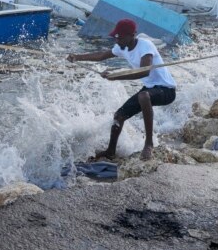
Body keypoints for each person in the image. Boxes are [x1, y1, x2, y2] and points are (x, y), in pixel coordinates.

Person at [67, 19, 177, 160]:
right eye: (116, 37)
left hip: (166, 90)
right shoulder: (121, 47)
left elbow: (144, 72)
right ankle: (110, 151)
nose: (117, 40)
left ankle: (148, 144)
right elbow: (101, 55)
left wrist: (116, 76)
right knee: (119, 116)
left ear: (132, 35)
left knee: (143, 96)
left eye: (121, 37)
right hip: (150, 89)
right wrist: (77, 57)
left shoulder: (145, 46)